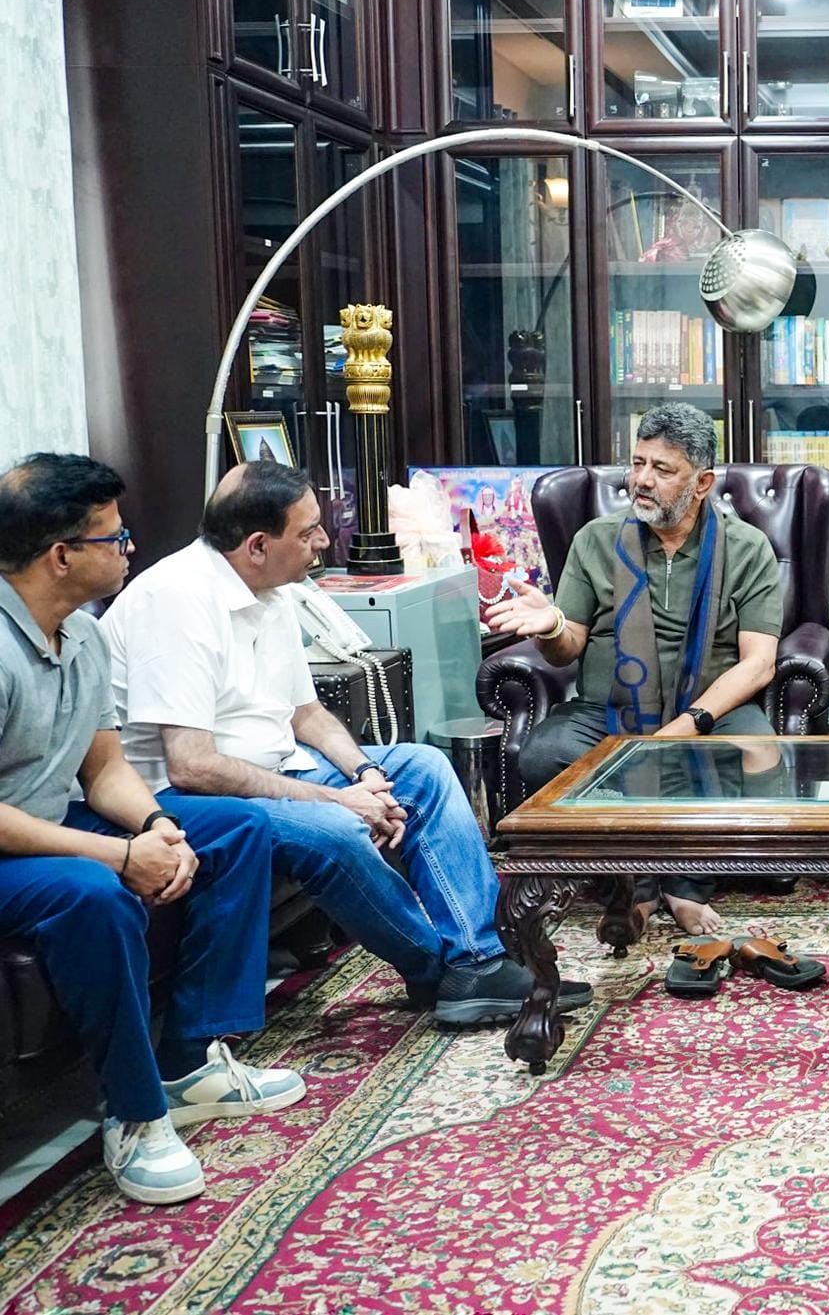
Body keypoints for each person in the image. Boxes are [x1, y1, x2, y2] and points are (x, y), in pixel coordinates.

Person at [101, 460, 589, 1028]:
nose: (323, 541)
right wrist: (337, 800)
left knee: (423, 768)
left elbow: (305, 712)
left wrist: (364, 774)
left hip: (276, 769)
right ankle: (438, 969)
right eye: (308, 531)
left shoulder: (273, 590)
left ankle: (478, 956)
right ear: (257, 545)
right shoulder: (176, 599)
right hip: (190, 799)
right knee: (335, 829)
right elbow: (192, 766)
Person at [0, 454, 302, 1205]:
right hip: (13, 844)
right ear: (60, 555)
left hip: (51, 821)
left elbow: (104, 767)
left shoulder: (84, 634)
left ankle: (190, 1058)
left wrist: (158, 825)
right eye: (114, 536)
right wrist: (117, 852)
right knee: (92, 892)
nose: (129, 547)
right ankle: (137, 1114)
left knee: (235, 827)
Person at [484, 402, 782, 941]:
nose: (641, 480)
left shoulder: (746, 548)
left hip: (708, 711)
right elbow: (567, 649)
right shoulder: (595, 540)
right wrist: (551, 626)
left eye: (662, 469)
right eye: (638, 463)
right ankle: (636, 886)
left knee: (760, 750)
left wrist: (684, 727)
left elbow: (759, 663)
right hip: (608, 710)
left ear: (702, 483)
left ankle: (685, 886)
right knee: (544, 755)